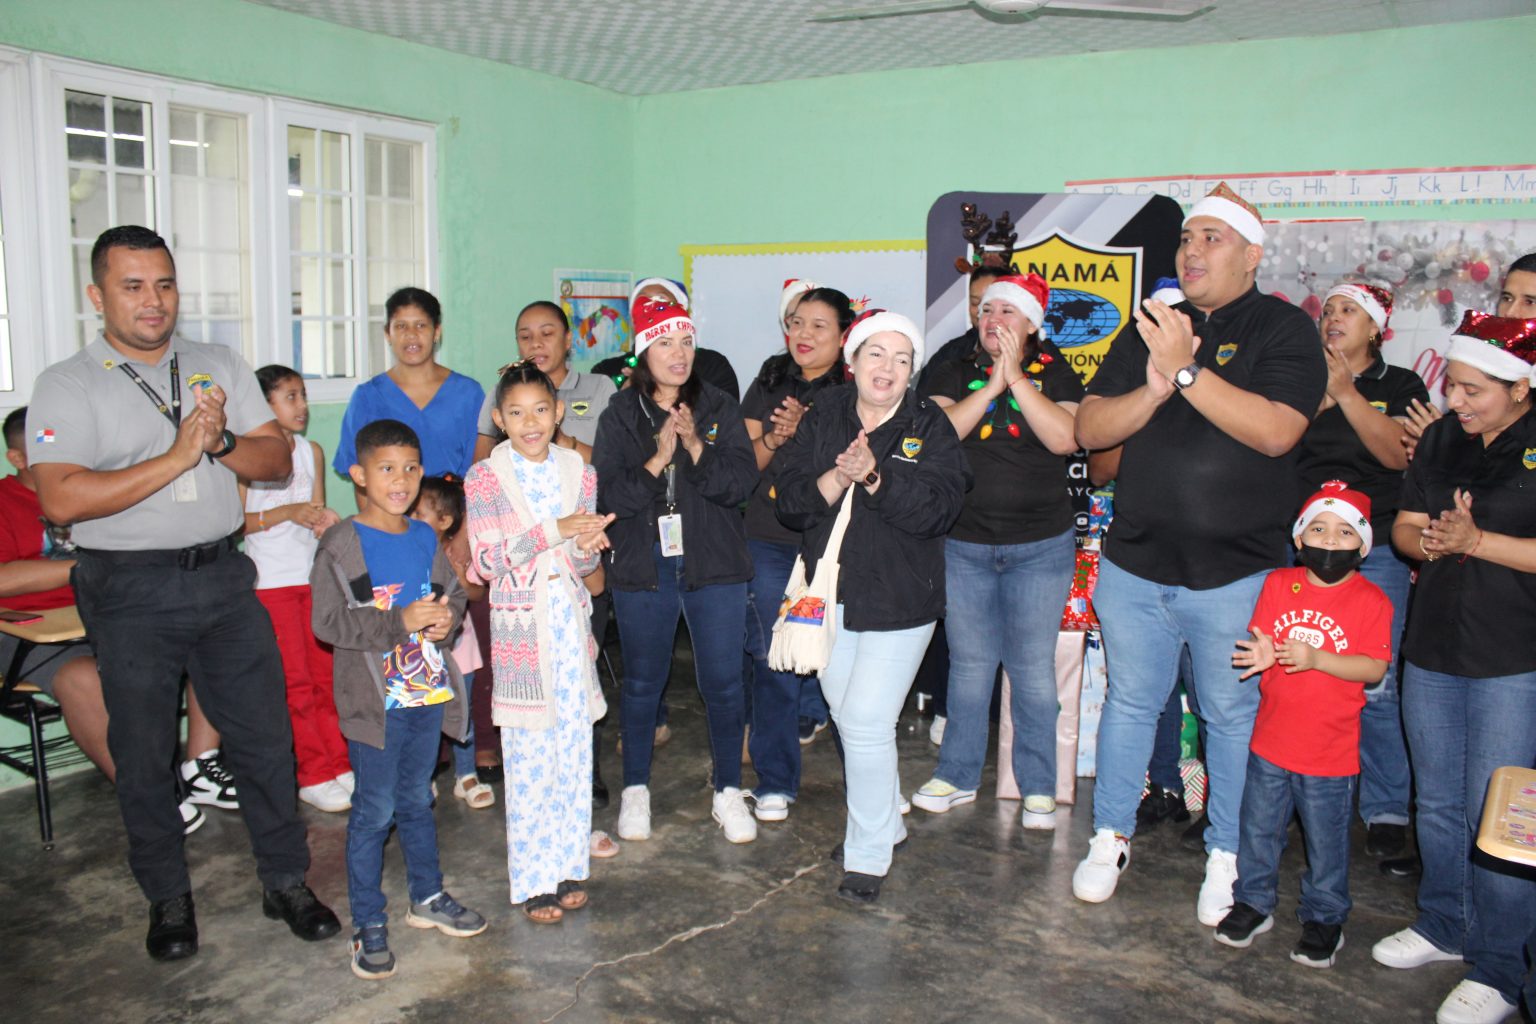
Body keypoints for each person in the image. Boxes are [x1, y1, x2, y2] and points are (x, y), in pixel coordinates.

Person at [27, 225, 339, 962]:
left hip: (224, 578)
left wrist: (221, 442)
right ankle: (168, 898)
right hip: (129, 587)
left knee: (264, 738)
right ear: (97, 294)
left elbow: (275, 458)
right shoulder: (67, 383)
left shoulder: (216, 363)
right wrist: (178, 456)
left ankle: (285, 881)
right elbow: (62, 499)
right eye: (133, 285)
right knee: (143, 754)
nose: (153, 300)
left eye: (164, 284)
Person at [1070, 184, 1326, 927]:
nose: (1193, 250)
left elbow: (1277, 432)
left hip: (1236, 573)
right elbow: (1091, 428)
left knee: (1230, 716)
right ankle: (1110, 837)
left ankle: (1227, 855)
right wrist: (1154, 388)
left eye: (1213, 238)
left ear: (1252, 255)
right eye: (1188, 237)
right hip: (1134, 565)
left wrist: (1186, 370)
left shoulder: (1284, 329)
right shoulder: (1153, 324)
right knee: (1130, 705)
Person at [1371, 310, 1536, 1024]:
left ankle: (1501, 967)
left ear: (1521, 387)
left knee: (1496, 814)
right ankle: (1445, 923)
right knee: (1436, 802)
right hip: (1433, 644)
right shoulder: (1442, 437)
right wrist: (1431, 542)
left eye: (1473, 390)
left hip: (1512, 656)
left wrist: (1476, 541)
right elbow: (1406, 527)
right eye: (1454, 386)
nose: (1456, 400)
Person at [774, 310, 968, 903]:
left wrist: (878, 478)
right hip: (828, 595)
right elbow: (790, 501)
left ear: (912, 371)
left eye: (901, 359)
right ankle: (887, 824)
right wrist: (840, 476)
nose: (887, 368)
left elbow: (940, 510)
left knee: (864, 721)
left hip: (902, 599)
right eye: (876, 354)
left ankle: (867, 853)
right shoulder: (824, 415)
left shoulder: (929, 424)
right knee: (848, 713)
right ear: (853, 360)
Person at [1, 406, 235, 833]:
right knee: (82, 678)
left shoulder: (98, 488)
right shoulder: (4, 502)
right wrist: (82, 567)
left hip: (109, 611)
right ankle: (150, 795)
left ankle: (199, 767)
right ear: (17, 458)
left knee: (207, 636)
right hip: (26, 629)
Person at [310, 419, 486, 980]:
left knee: (416, 798)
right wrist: (399, 622)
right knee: (374, 811)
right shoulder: (342, 545)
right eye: (386, 468)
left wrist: (446, 621)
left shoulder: (422, 536)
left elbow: (451, 594)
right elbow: (327, 621)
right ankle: (367, 922)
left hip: (426, 691)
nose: (401, 480)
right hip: (375, 704)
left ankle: (427, 896)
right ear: (359, 475)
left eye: (410, 468)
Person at [914, 273, 1081, 829]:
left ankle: (1038, 788)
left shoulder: (1056, 367)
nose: (993, 320)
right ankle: (957, 775)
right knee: (969, 667)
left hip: (1041, 546)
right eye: (987, 310)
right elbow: (935, 434)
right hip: (964, 543)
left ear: (1032, 323)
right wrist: (989, 388)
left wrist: (1017, 379)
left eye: (1008, 312)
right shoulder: (953, 362)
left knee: (1032, 670)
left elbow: (1066, 438)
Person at [592, 296, 759, 845]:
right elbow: (609, 497)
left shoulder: (718, 405)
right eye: (665, 343)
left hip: (715, 563)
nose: (679, 353)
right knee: (643, 682)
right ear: (644, 352)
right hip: (644, 564)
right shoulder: (620, 414)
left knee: (724, 683)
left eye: (686, 341)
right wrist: (657, 460)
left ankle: (728, 791)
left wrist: (693, 445)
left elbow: (739, 484)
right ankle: (635, 790)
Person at [1215, 482, 1391, 969]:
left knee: (1327, 842)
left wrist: (1317, 659)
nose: (1330, 540)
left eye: (1344, 532)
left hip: (1330, 752)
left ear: (1363, 545)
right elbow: (1263, 637)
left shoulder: (1372, 600)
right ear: (1298, 538)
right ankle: (1253, 902)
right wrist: (1264, 653)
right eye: (1318, 528)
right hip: (1270, 741)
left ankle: (1325, 917)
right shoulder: (1278, 584)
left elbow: (1374, 667)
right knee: (1258, 831)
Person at [465, 362, 612, 923]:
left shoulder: (579, 471)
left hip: (570, 633)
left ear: (559, 412)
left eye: (541, 410)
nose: (531, 423)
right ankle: (533, 879)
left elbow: (581, 564)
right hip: (521, 637)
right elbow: (486, 562)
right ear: (499, 419)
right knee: (529, 762)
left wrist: (587, 547)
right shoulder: (486, 478)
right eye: (517, 413)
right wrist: (556, 530)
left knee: (574, 754)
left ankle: (569, 864)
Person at [1296, 282, 1427, 860]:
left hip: (1376, 551)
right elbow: (1272, 445)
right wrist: (1317, 402)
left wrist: (1347, 394)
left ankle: (1386, 807)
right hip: (1304, 546)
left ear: (1375, 327)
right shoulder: (1302, 377)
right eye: (1328, 310)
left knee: (1375, 682)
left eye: (1348, 310)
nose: (1333, 317)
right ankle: (1299, 796)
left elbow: (1401, 455)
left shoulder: (1400, 385)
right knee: (1301, 669)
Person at [741, 286, 854, 822]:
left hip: (831, 544)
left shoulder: (856, 389)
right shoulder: (769, 381)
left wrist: (808, 433)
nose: (803, 335)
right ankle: (775, 782)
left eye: (818, 325)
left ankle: (868, 787)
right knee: (774, 657)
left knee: (846, 665)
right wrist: (776, 438)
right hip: (769, 538)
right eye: (796, 323)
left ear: (844, 335)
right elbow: (742, 467)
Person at [241, 365, 349, 813]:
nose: (302, 405)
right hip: (271, 584)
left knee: (327, 677)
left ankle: (340, 763)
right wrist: (286, 513)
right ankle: (313, 773)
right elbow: (234, 523)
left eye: (302, 395)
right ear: (262, 406)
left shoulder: (310, 452)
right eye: (290, 397)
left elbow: (315, 511)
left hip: (311, 579)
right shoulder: (243, 458)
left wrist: (325, 522)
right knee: (297, 684)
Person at [333, 287, 484, 502]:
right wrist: (376, 524)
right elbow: (361, 478)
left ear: (437, 331)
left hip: (455, 513)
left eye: (421, 325)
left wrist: (462, 523)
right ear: (388, 333)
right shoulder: (367, 397)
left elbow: (479, 471)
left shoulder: (468, 394)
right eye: (401, 326)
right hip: (390, 516)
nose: (411, 334)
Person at [411, 475, 493, 811]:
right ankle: (424, 775)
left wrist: (460, 580)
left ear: (444, 521)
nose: (411, 519)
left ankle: (466, 774)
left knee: (462, 714)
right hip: (422, 653)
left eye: (419, 514)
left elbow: (478, 593)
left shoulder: (455, 554)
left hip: (460, 651)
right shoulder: (408, 553)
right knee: (426, 716)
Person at [593, 278, 740, 399]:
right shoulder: (606, 371)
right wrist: (624, 397)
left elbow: (726, 422)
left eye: (660, 300)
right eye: (642, 301)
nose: (651, 306)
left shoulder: (712, 365)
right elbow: (594, 422)